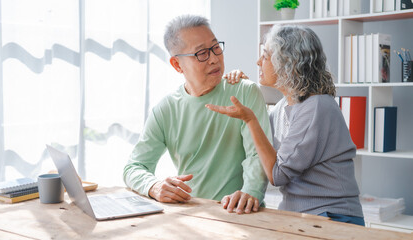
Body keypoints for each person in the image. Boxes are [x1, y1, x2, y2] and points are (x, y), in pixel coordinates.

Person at [206, 24, 365, 225]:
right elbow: (261, 152)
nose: (258, 62)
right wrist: (242, 89)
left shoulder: (317, 107)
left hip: (333, 217)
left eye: (265, 56)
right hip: (298, 216)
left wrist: (250, 119)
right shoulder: (282, 107)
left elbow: (277, 174)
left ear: (287, 62)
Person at [123, 15, 271, 214]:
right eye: (201, 53)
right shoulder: (165, 109)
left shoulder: (245, 92)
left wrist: (250, 192)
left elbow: (257, 154)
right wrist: (154, 186)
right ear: (177, 65)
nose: (214, 59)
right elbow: (134, 166)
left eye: (216, 47)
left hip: (239, 212)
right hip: (190, 215)